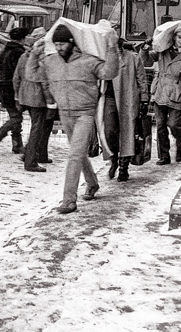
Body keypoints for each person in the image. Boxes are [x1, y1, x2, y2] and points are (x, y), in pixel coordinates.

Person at [26, 24, 119, 214]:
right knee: (78, 153)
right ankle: (92, 183)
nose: (59, 48)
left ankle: (69, 200)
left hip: (85, 113)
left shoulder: (88, 61)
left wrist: (111, 47)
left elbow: (109, 72)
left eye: (62, 44)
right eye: (56, 44)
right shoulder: (51, 62)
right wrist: (34, 55)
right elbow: (32, 75)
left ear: (71, 43)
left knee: (75, 154)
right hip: (65, 113)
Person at [142, 23, 181, 165]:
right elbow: (146, 61)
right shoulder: (163, 50)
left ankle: (179, 143)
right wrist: (145, 49)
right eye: (179, 37)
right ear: (174, 37)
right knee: (160, 126)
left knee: (173, 125)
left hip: (177, 94)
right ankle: (164, 156)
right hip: (160, 92)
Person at [103, 38, 149, 181]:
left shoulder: (133, 58)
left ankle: (124, 167)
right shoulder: (102, 57)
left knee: (127, 132)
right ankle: (114, 159)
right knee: (109, 131)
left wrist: (144, 99)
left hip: (127, 98)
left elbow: (142, 80)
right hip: (109, 98)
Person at [13, 27, 54, 172]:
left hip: (25, 96)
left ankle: (41, 154)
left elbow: (16, 78)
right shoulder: (42, 57)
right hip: (38, 98)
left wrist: (18, 96)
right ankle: (30, 160)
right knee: (38, 129)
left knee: (40, 127)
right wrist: (50, 101)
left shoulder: (24, 56)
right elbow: (44, 82)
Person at [0, 27, 29, 156]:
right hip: (15, 90)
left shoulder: (3, 51)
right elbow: (20, 74)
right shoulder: (19, 52)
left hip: (4, 89)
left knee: (15, 116)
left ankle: (17, 145)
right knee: (16, 117)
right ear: (22, 39)